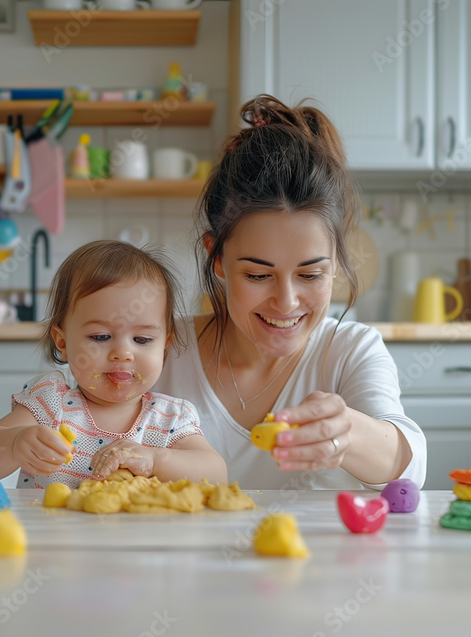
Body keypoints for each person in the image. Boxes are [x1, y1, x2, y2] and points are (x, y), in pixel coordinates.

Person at [152, 94, 427, 491]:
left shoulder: (349, 350)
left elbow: (409, 466)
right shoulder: (159, 352)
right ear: (217, 258)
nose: (286, 302)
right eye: (258, 276)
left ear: (335, 261)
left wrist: (347, 433)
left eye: (311, 274)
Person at [0, 240, 228, 489]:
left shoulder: (168, 419)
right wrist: (14, 444)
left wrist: (155, 460)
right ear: (63, 341)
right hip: (52, 535)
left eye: (142, 339)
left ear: (165, 344)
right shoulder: (50, 404)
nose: (123, 353)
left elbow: (216, 474)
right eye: (100, 337)